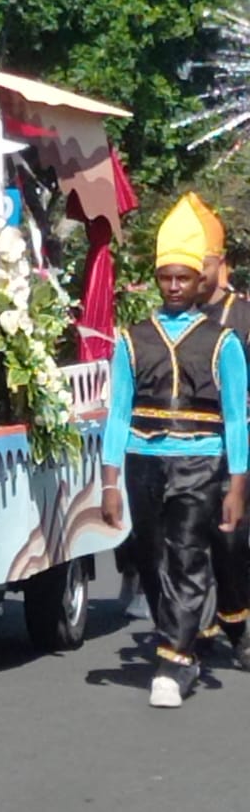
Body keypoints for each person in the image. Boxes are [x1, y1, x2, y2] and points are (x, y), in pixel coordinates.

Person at [100, 197, 248, 708]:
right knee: (152, 556)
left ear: (200, 277)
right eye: (167, 278)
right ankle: (179, 637)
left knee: (187, 554)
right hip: (144, 460)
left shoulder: (223, 340)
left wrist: (237, 483)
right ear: (158, 280)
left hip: (201, 461)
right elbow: (117, 411)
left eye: (185, 277)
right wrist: (110, 481)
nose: (176, 286)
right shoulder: (132, 339)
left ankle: (174, 658)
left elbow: (234, 416)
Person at [184, 193, 250, 659]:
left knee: (231, 541)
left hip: (236, 444)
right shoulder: (173, 318)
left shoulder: (243, 316)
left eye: (198, 264)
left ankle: (236, 619)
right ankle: (196, 626)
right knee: (186, 541)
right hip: (185, 447)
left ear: (218, 264)